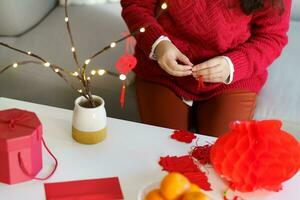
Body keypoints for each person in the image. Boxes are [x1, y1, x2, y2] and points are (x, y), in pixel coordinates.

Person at [121, 0, 291, 137]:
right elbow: (136, 5)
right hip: (163, 70)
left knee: (218, 157)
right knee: (164, 152)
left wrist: (232, 65)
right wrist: (158, 44)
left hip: (233, 77)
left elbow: (272, 36)